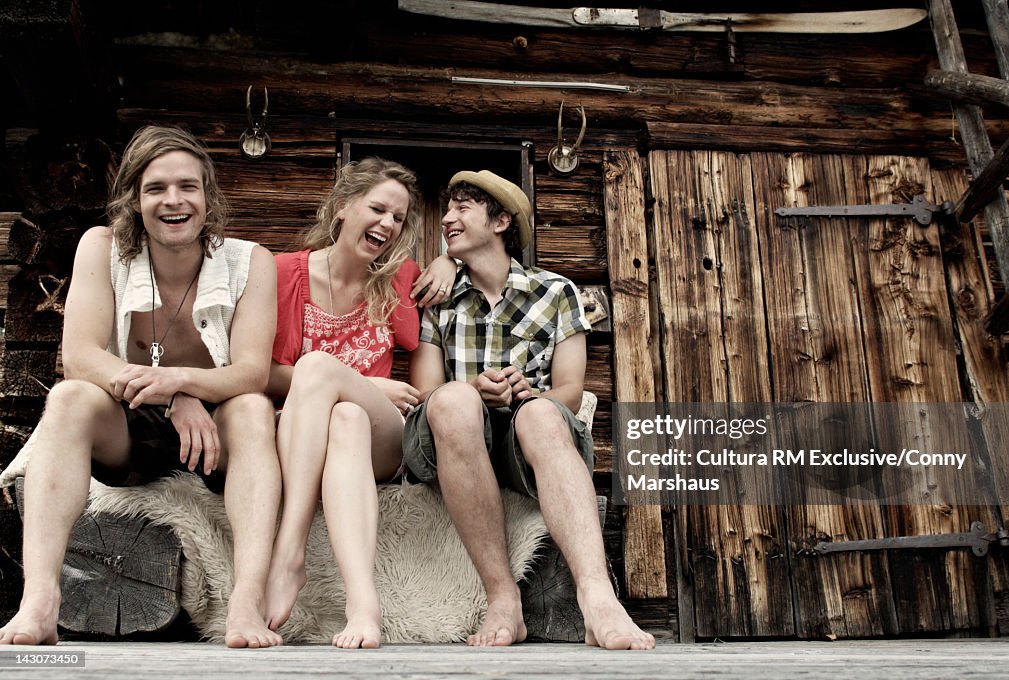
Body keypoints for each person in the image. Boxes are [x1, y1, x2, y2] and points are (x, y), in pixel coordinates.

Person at [0, 126, 283, 648]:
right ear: (134, 198)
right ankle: (40, 600)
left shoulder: (250, 262)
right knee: (68, 397)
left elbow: (249, 373)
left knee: (251, 409)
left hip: (215, 436)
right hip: (127, 426)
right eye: (155, 188)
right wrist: (172, 396)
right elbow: (81, 357)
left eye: (187, 186)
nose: (172, 201)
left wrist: (186, 384)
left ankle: (246, 602)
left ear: (208, 195)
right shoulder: (102, 247)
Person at [403, 170, 656, 650]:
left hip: (526, 445)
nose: (448, 219)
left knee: (541, 412)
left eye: (461, 209)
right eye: (448, 208)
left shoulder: (556, 292)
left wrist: (526, 395)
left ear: (500, 221)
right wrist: (476, 390)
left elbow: (570, 391)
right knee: (455, 400)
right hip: (452, 439)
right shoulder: (436, 297)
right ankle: (503, 599)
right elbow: (427, 392)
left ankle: (598, 598)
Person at [264, 157, 455, 649]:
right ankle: (363, 604)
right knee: (343, 411)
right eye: (378, 208)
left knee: (333, 387)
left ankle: (290, 550)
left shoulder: (400, 279)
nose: (388, 224)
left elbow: (471, 259)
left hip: (383, 436)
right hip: (307, 429)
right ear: (343, 206)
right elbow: (257, 371)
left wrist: (449, 260)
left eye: (398, 217)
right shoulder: (283, 273)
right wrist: (357, 384)